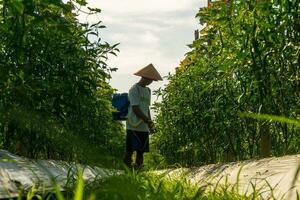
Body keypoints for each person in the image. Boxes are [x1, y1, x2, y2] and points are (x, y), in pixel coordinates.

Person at [123, 63, 163, 169]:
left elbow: (146, 108)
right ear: (144, 77)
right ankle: (125, 170)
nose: (150, 82)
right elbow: (136, 108)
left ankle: (138, 170)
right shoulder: (134, 89)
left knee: (141, 150)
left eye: (152, 80)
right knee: (130, 149)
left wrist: (150, 123)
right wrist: (148, 121)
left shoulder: (148, 91)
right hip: (133, 123)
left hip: (144, 125)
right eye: (150, 79)